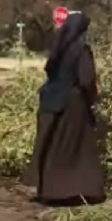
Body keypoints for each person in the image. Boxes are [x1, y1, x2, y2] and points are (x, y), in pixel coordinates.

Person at [23, 12, 105, 205]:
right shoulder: (81, 50)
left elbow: (49, 69)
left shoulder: (59, 47)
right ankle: (74, 190)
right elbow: (86, 79)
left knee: (51, 146)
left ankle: (49, 191)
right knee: (76, 148)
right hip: (72, 105)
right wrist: (94, 96)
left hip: (50, 101)